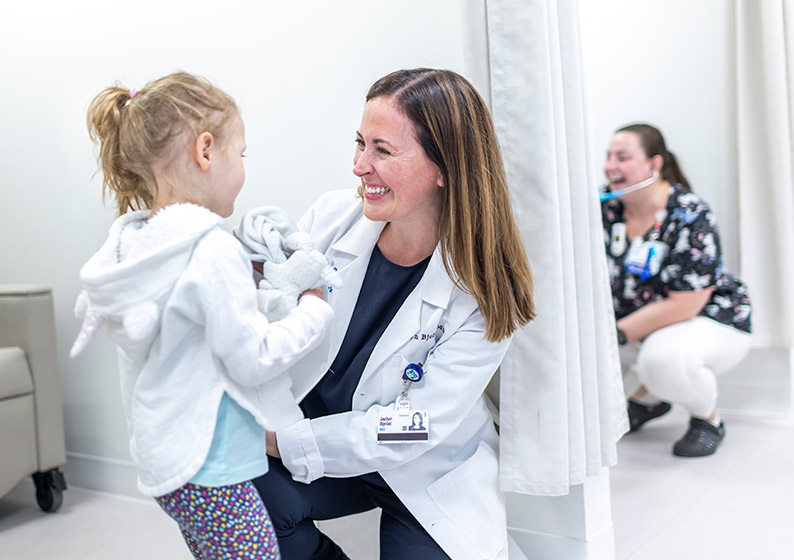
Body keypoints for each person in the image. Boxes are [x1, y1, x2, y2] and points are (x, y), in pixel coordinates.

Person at [250, 68, 536, 560]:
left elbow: (416, 424)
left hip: (423, 468)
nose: (360, 166)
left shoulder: (483, 288)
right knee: (235, 495)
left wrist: (285, 443)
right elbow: (275, 314)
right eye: (360, 144)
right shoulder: (332, 217)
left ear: (445, 166)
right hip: (322, 437)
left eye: (382, 150)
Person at [73, 71, 335, 559]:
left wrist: (251, 293)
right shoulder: (211, 250)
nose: (242, 167)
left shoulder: (141, 245)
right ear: (206, 150)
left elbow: (193, 336)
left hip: (171, 463)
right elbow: (253, 359)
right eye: (242, 154)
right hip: (216, 465)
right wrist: (313, 309)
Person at [600, 123, 752, 458]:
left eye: (622, 157)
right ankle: (649, 398)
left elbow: (686, 303)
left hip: (709, 318)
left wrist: (615, 335)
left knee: (663, 359)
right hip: (640, 321)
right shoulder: (606, 210)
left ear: (654, 165)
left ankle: (707, 418)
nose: (610, 165)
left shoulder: (689, 212)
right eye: (608, 156)